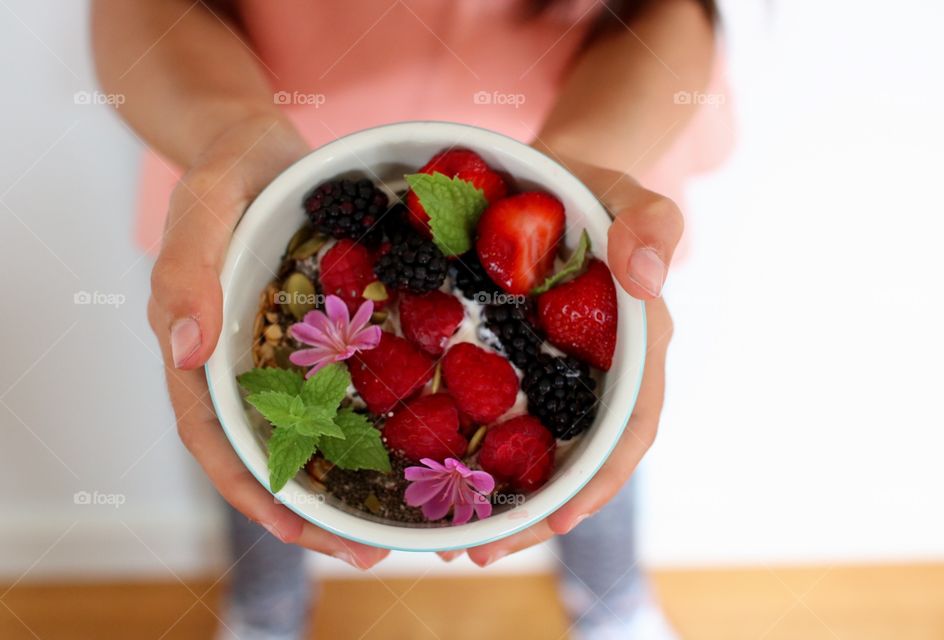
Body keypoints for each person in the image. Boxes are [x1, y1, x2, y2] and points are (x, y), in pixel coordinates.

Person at [92, 0, 722, 637]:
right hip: (258, 126)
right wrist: (228, 131)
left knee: (602, 459)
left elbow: (671, 13)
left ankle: (611, 601)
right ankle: (266, 610)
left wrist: (580, 160)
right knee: (260, 458)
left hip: (575, 135)